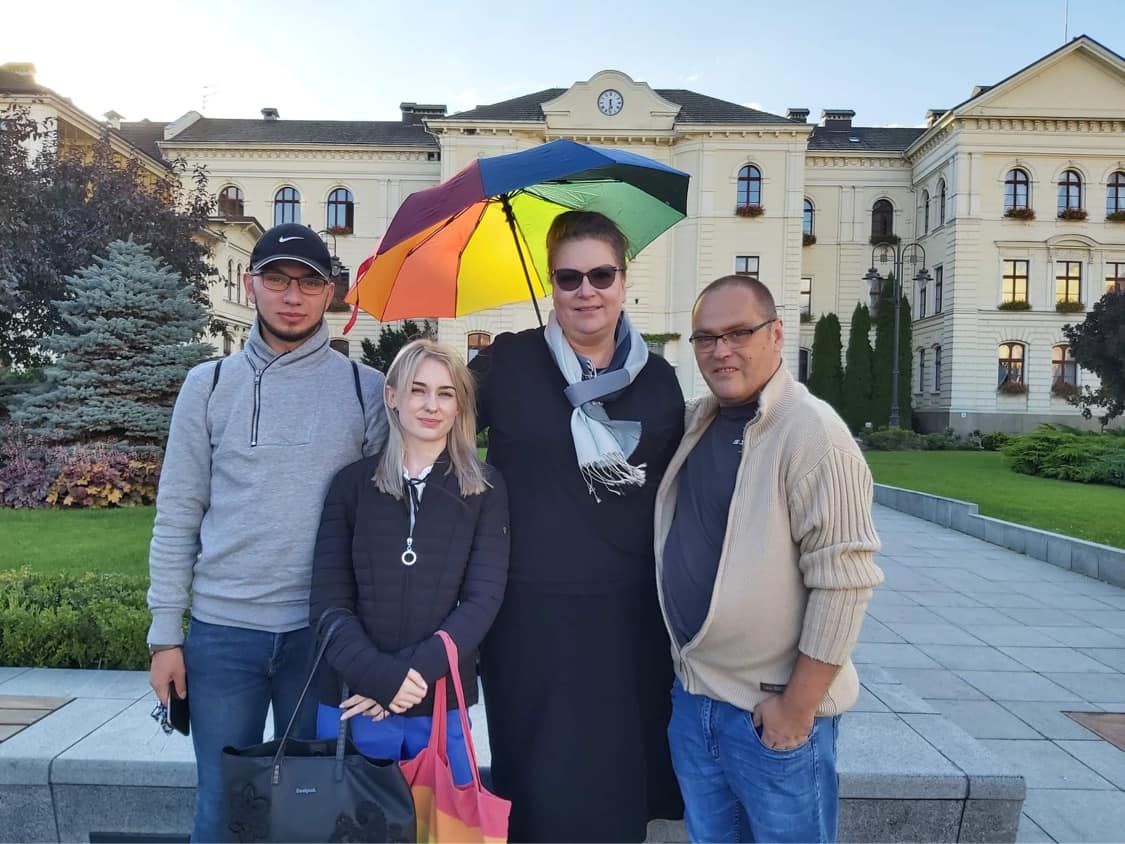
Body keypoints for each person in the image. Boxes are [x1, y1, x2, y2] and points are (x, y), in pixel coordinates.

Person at [146, 223, 389, 843]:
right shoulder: (208, 385)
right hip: (223, 636)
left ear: (330, 291)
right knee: (221, 808)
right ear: (252, 284)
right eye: (277, 279)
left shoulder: (364, 389)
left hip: (322, 637)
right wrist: (165, 636)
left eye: (309, 282)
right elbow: (178, 512)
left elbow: (384, 523)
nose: (292, 295)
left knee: (313, 813)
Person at [470, 210, 685, 842]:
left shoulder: (659, 380)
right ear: (552, 283)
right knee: (536, 778)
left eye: (600, 275)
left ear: (624, 279)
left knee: (618, 778)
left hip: (629, 616)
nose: (585, 291)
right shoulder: (508, 363)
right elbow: (437, 430)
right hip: (528, 614)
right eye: (569, 277)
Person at [655, 274, 884, 843]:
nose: (721, 350)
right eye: (706, 338)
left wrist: (797, 709)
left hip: (769, 714)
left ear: (777, 334)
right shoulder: (701, 420)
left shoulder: (813, 433)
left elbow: (844, 582)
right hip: (697, 701)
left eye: (739, 333)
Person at [309, 339, 509, 784]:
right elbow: (327, 603)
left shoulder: (485, 490)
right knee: (352, 820)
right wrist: (378, 677)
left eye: (445, 393)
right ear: (392, 396)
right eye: (418, 390)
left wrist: (409, 676)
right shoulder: (351, 486)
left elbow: (483, 600)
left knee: (441, 821)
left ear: (460, 405)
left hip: (438, 700)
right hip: (354, 698)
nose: (431, 405)